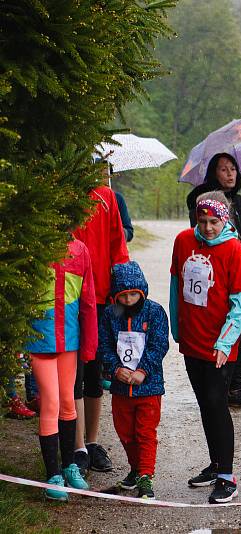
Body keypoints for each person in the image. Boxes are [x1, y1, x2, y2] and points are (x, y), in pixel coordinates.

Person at [170, 192, 241, 504]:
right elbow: (176, 284)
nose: (207, 228)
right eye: (202, 221)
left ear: (225, 219)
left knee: (218, 404)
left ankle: (227, 476)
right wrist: (178, 330)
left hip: (221, 344)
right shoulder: (182, 241)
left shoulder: (233, 248)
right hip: (192, 339)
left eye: (214, 222)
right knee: (205, 404)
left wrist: (226, 341)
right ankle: (215, 464)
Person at [187, 152, 241, 409]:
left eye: (233, 168)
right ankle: (219, 380)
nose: (230, 173)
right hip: (211, 272)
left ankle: (235, 384)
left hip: (238, 268)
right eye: (223, 169)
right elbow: (197, 224)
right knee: (217, 323)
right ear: (214, 173)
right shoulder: (203, 203)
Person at [25, 237, 96, 501]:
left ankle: (69, 466)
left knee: (68, 402)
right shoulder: (36, 245)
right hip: (40, 340)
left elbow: (88, 300)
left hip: (69, 340)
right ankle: (52, 475)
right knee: (51, 404)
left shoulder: (80, 250)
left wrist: (89, 345)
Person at [71, 181, 130, 475]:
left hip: (101, 299)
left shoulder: (105, 196)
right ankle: (77, 446)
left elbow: (118, 243)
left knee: (95, 374)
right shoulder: (61, 191)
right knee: (74, 376)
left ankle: (92, 443)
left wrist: (122, 289)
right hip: (69, 298)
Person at [99, 261, 169, 500]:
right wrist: (115, 369)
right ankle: (136, 470)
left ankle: (146, 477)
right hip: (121, 388)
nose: (128, 300)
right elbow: (105, 346)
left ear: (142, 291)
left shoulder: (155, 312)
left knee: (145, 433)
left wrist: (143, 371)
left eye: (133, 294)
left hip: (148, 388)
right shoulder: (110, 315)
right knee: (125, 432)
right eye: (123, 295)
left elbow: (159, 345)